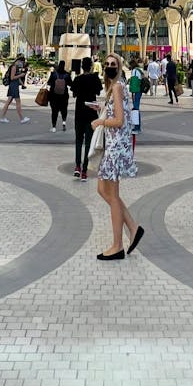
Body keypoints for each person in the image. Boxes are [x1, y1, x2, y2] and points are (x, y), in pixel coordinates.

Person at [92, 51, 143, 260]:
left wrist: (100, 122)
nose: (109, 66)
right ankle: (132, 226)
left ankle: (117, 245)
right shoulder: (113, 88)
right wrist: (101, 110)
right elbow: (116, 114)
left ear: (119, 66)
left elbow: (120, 121)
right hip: (114, 145)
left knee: (111, 195)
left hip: (116, 148)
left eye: (113, 63)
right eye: (107, 63)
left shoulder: (118, 86)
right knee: (102, 190)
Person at [71, 56, 103, 180]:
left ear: (81, 66)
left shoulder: (77, 79)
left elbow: (74, 94)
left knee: (78, 141)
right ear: (91, 66)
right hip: (91, 114)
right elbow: (99, 92)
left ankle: (77, 167)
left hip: (79, 113)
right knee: (89, 142)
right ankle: (84, 171)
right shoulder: (95, 78)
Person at [0, 55, 30, 123]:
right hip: (13, 86)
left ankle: (2, 117)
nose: (22, 64)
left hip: (13, 86)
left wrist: (22, 85)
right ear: (19, 61)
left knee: (8, 102)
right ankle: (22, 119)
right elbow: (12, 78)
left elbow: (18, 78)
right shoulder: (14, 67)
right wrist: (21, 75)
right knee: (18, 102)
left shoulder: (16, 67)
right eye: (22, 62)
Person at [48, 59, 72, 132]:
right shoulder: (67, 75)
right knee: (64, 110)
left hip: (54, 96)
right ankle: (64, 123)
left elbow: (49, 83)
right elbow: (70, 84)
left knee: (54, 111)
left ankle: (54, 127)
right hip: (64, 95)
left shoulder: (54, 74)